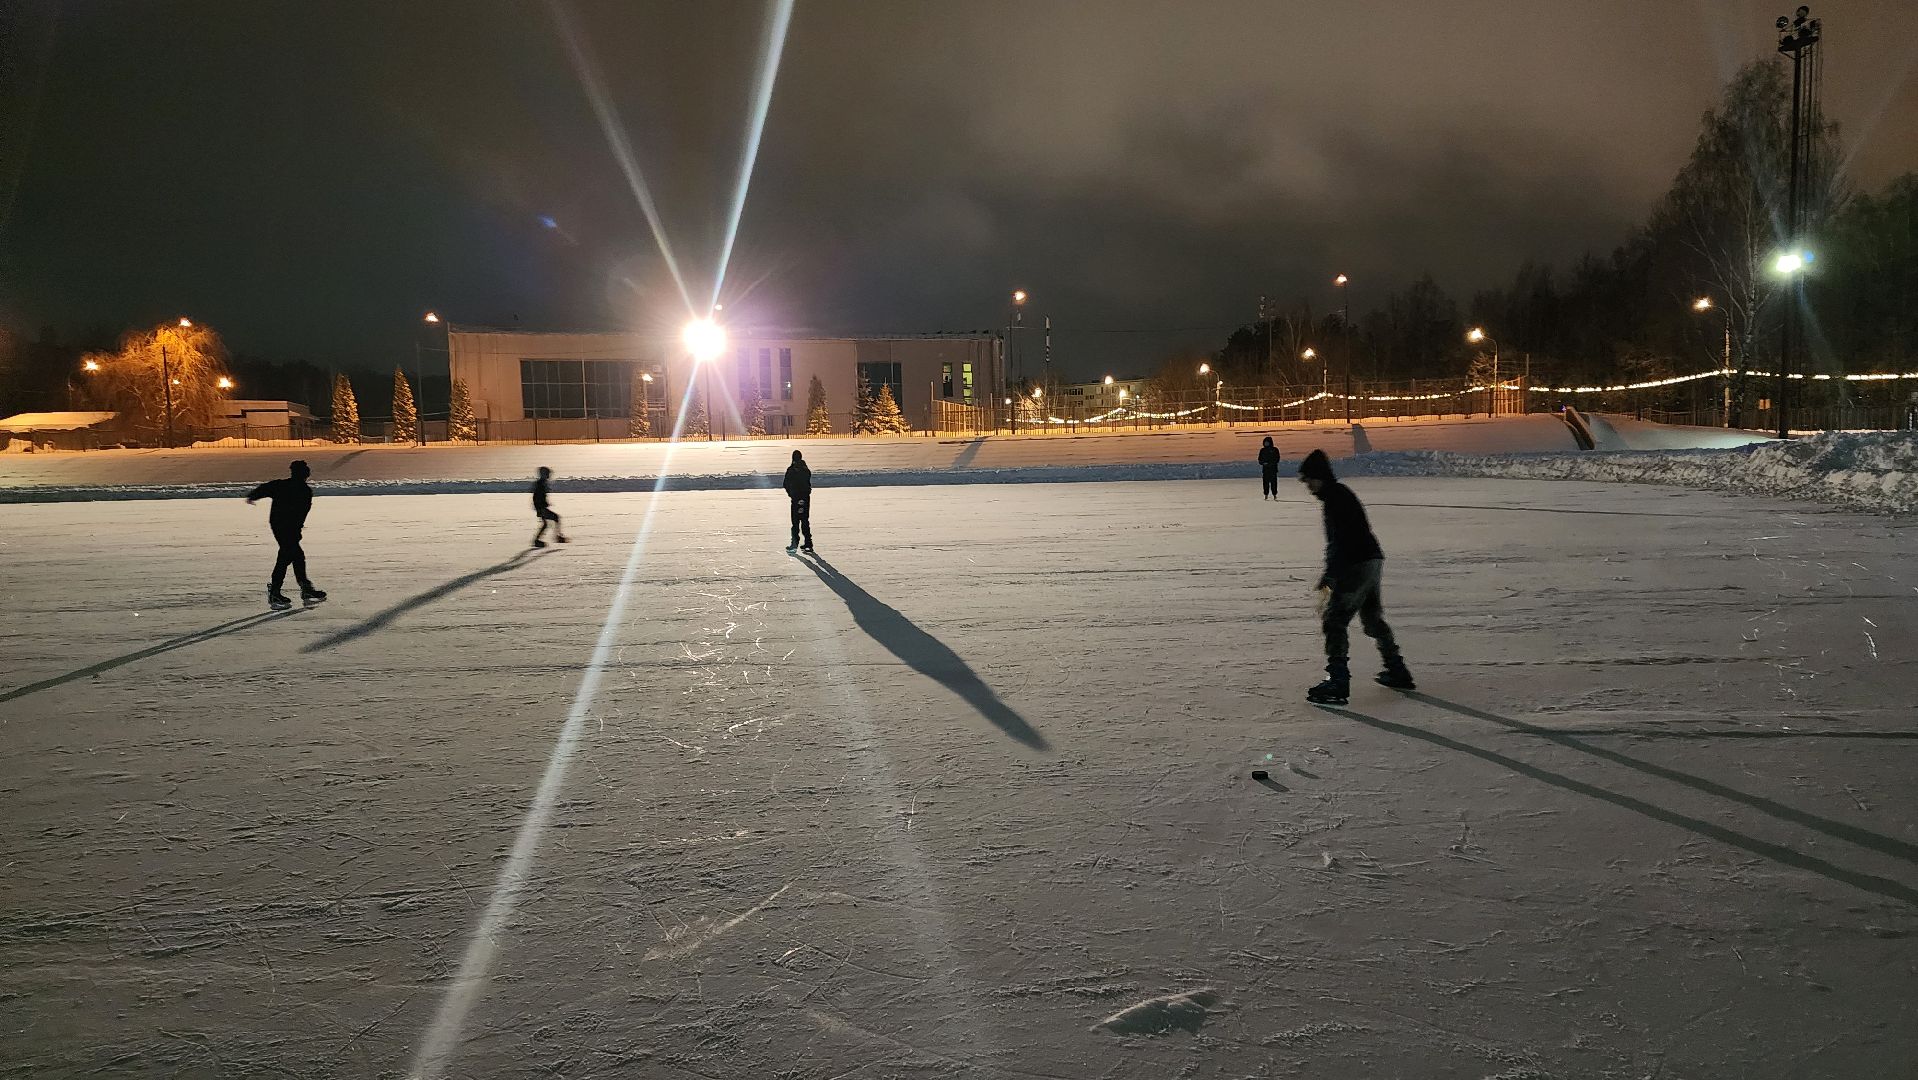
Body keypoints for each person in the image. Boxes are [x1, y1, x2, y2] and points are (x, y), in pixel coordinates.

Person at [1297, 448, 1412, 704]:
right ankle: (1397, 669)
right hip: (1371, 560)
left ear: (1320, 476)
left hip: (1357, 564)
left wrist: (1331, 575)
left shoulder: (1335, 499)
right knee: (1371, 619)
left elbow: (1341, 541)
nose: (1307, 486)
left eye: (1309, 480)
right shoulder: (1339, 495)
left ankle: (1338, 681)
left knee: (1334, 620)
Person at [247, 460, 325, 609]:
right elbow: (301, 514)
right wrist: (253, 496)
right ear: (304, 474)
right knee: (287, 557)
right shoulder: (303, 490)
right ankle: (278, 591)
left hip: (283, 527)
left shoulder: (282, 485)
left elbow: (264, 489)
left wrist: (252, 496)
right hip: (285, 528)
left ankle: (302, 588)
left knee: (294, 556)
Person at [783, 449, 814, 553]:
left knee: (795, 521)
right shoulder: (805, 469)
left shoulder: (791, 470)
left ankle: (794, 543)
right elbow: (808, 480)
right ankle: (808, 543)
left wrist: (791, 494)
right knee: (805, 520)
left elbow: (785, 483)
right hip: (805, 497)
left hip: (796, 498)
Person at [532, 467, 568, 548]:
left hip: (541, 507)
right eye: (548, 474)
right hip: (541, 508)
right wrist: (541, 506)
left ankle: (537, 540)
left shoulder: (541, 483)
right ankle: (557, 537)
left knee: (546, 523)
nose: (549, 475)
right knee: (555, 518)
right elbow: (537, 497)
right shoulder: (540, 484)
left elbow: (539, 497)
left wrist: (545, 503)